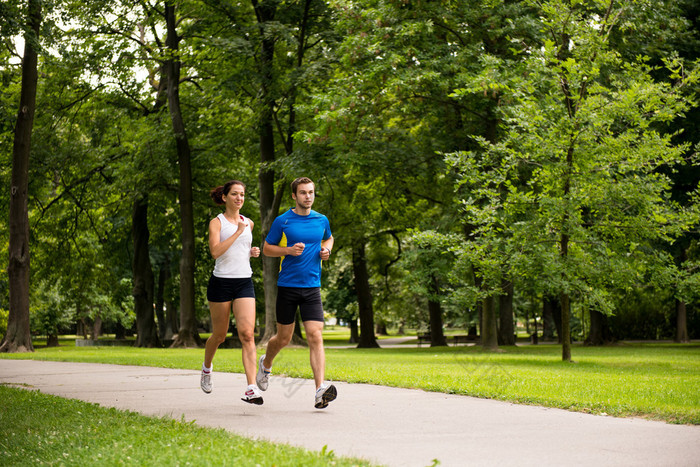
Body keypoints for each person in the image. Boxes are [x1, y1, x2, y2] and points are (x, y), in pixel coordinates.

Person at [256, 177, 337, 409]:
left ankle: (319, 390)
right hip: (288, 287)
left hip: (312, 287)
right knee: (283, 338)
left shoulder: (321, 219)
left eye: (311, 192)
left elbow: (329, 237)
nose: (308, 196)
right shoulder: (283, 221)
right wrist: (288, 250)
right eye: (303, 193)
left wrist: (326, 250)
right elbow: (267, 249)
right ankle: (266, 363)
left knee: (315, 335)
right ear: (294, 195)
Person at [201, 180, 263, 405]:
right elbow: (216, 252)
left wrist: (252, 252)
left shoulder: (249, 222)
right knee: (220, 335)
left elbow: (241, 251)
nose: (239, 198)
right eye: (235, 194)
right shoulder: (216, 223)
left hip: (244, 282)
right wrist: (238, 232)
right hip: (221, 283)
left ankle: (251, 387)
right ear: (225, 197)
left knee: (247, 334)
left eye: (243, 195)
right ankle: (207, 368)